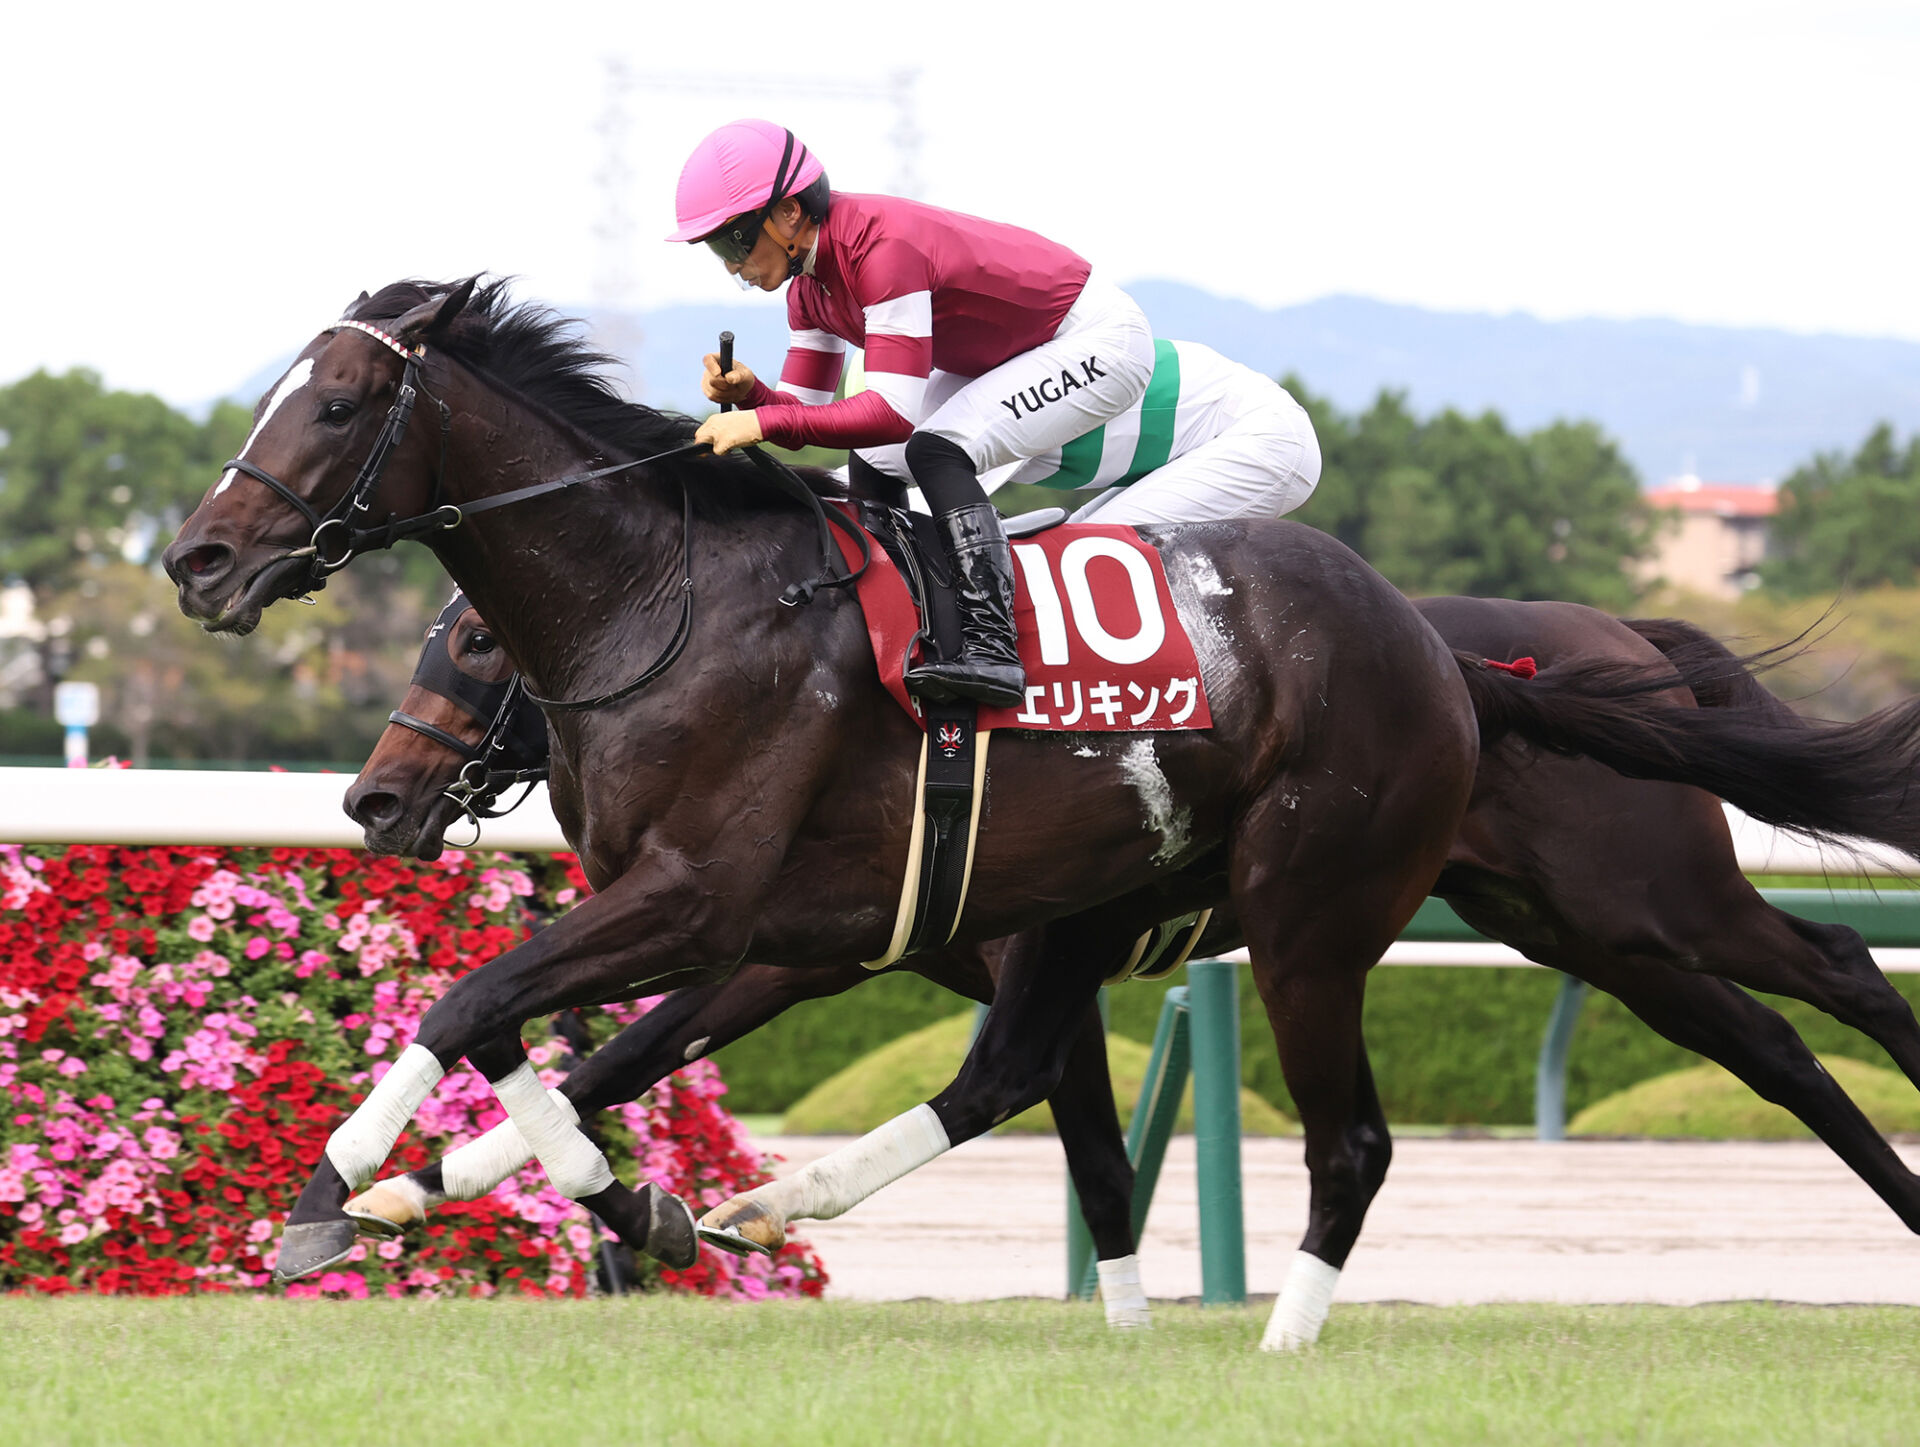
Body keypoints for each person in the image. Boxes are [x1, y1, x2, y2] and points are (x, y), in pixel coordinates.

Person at [670, 119, 1155, 708]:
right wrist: (753, 396)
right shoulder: (807, 288)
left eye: (735, 243)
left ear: (790, 214)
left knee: (932, 449)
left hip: (1097, 339)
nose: (731, 266)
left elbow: (891, 414)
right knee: (873, 459)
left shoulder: (880, 247)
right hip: (1016, 349)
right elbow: (804, 415)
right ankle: (898, 622)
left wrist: (762, 422)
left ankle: (992, 647)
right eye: (719, 250)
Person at [981, 338, 1322, 527]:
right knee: (1065, 545)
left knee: (1089, 551)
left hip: (1260, 431)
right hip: (1213, 425)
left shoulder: (969, 416)